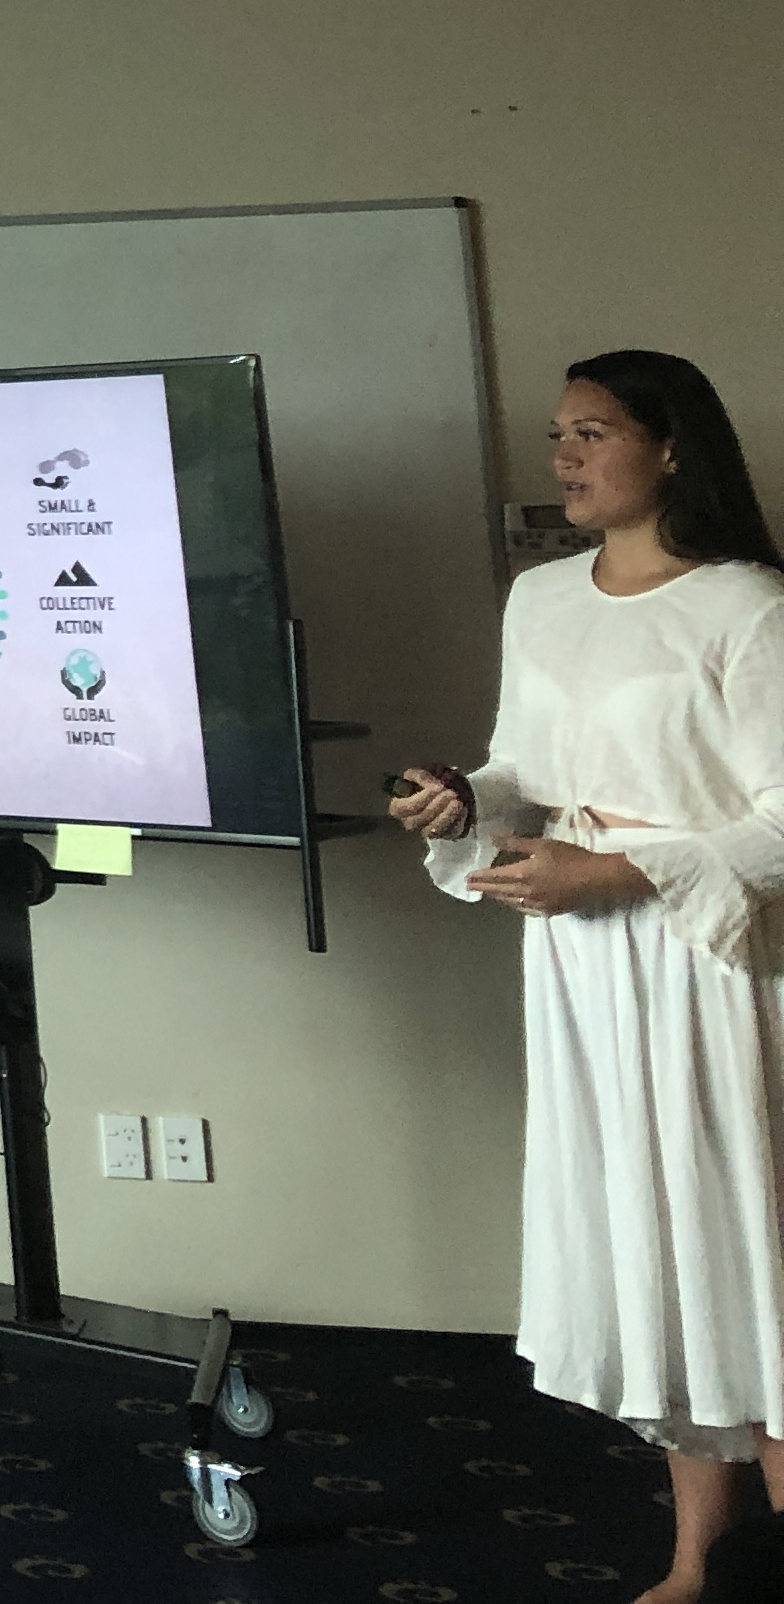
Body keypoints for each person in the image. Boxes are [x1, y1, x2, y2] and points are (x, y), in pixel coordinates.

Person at [391, 349, 784, 1604]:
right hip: (578, 966)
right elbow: (524, 769)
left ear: (672, 447)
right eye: (559, 433)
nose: (564, 455)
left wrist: (617, 874)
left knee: (749, 1247)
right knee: (654, 1249)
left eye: (594, 431)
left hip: (707, 964)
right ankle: (696, 1562)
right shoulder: (542, 597)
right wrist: (466, 799)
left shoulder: (748, 605)